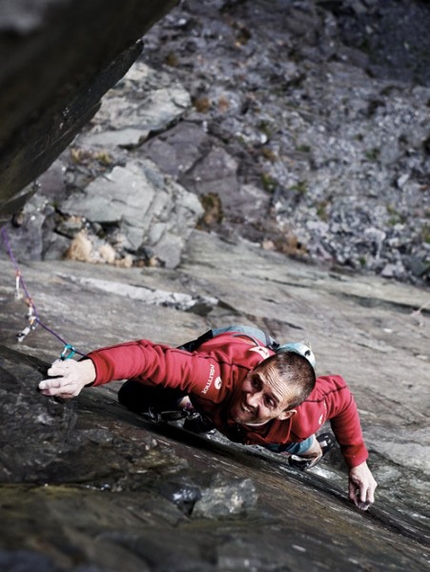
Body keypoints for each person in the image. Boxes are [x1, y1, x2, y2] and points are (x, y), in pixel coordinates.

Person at [38, 326, 377, 511]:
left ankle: (308, 447)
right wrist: (88, 370)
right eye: (255, 381)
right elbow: (148, 357)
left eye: (268, 399)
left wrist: (358, 464)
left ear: (287, 410)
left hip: (273, 427)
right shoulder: (217, 372)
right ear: (256, 368)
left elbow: (342, 395)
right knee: (133, 397)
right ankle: (194, 405)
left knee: (296, 442)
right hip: (232, 339)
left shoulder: (302, 414)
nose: (251, 397)